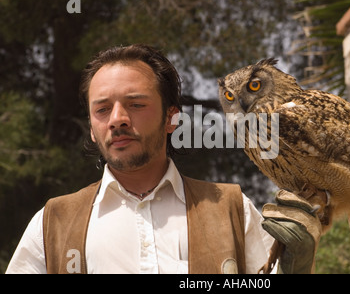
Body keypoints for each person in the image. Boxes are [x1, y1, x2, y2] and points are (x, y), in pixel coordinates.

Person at [6, 44, 323, 274]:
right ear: (92, 128)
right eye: (102, 109)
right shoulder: (53, 224)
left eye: (136, 104)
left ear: (172, 118)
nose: (117, 119)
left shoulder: (231, 210)